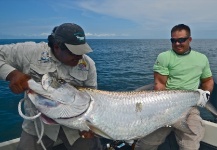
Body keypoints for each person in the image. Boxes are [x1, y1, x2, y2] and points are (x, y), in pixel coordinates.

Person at [0, 23, 102, 150]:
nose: (80, 57)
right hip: (39, 126)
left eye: (82, 51)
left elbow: (93, 99)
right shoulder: (31, 52)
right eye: (74, 52)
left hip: (75, 127)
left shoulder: (88, 64)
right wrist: (11, 74)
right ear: (57, 46)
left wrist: (90, 126)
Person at [135, 24, 214, 150]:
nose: (177, 43)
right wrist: (168, 113)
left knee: (190, 146)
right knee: (145, 145)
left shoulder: (202, 58)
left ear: (190, 39)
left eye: (181, 40)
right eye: (173, 40)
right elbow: (159, 85)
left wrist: (206, 94)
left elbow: (208, 80)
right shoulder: (164, 57)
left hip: (189, 108)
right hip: (164, 107)